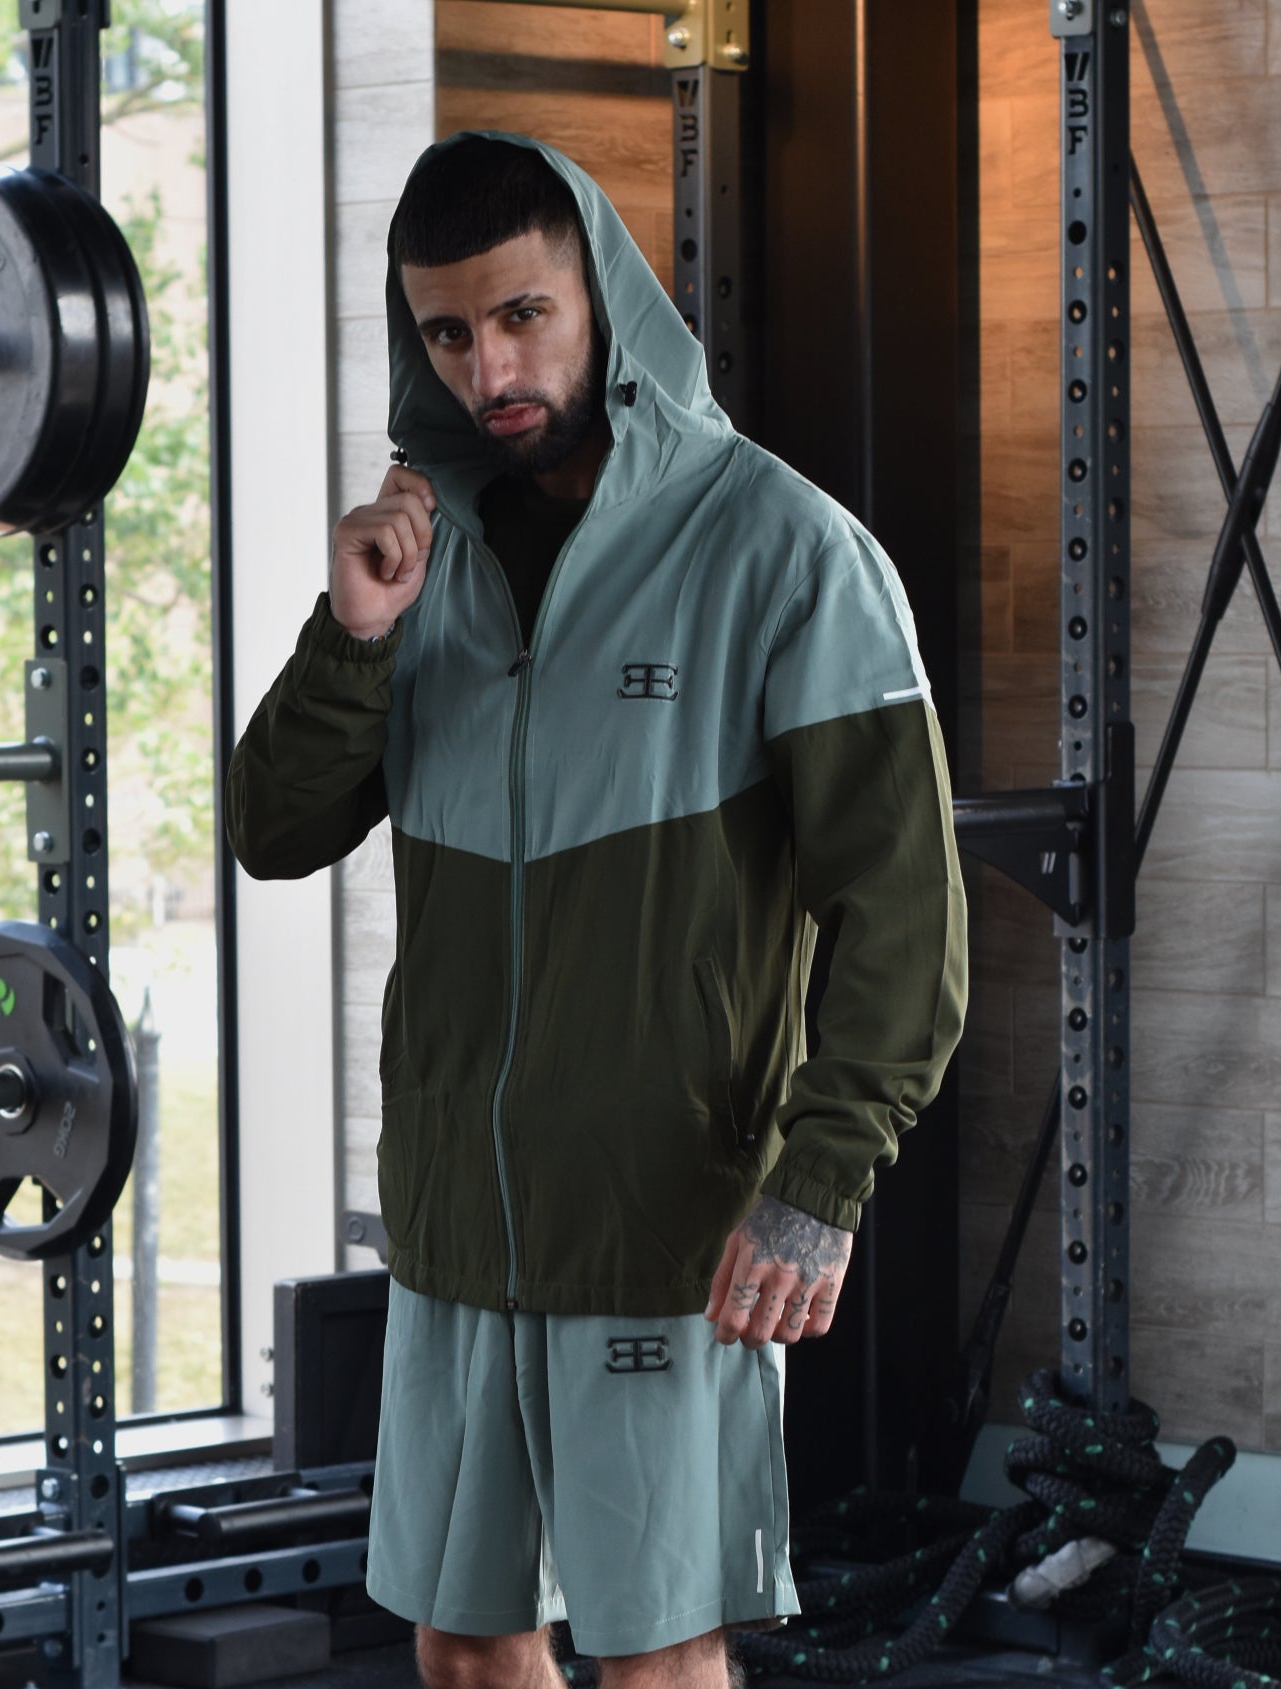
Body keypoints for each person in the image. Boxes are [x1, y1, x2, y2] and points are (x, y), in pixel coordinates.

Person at [227, 132, 966, 1689]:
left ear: (603, 301)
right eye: (447, 330)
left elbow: (904, 915)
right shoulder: (421, 560)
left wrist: (818, 1180)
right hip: (454, 1228)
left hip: (662, 1230)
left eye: (523, 316)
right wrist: (355, 633)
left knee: (655, 1657)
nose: (489, 364)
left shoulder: (784, 552)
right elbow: (272, 831)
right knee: (464, 1645)